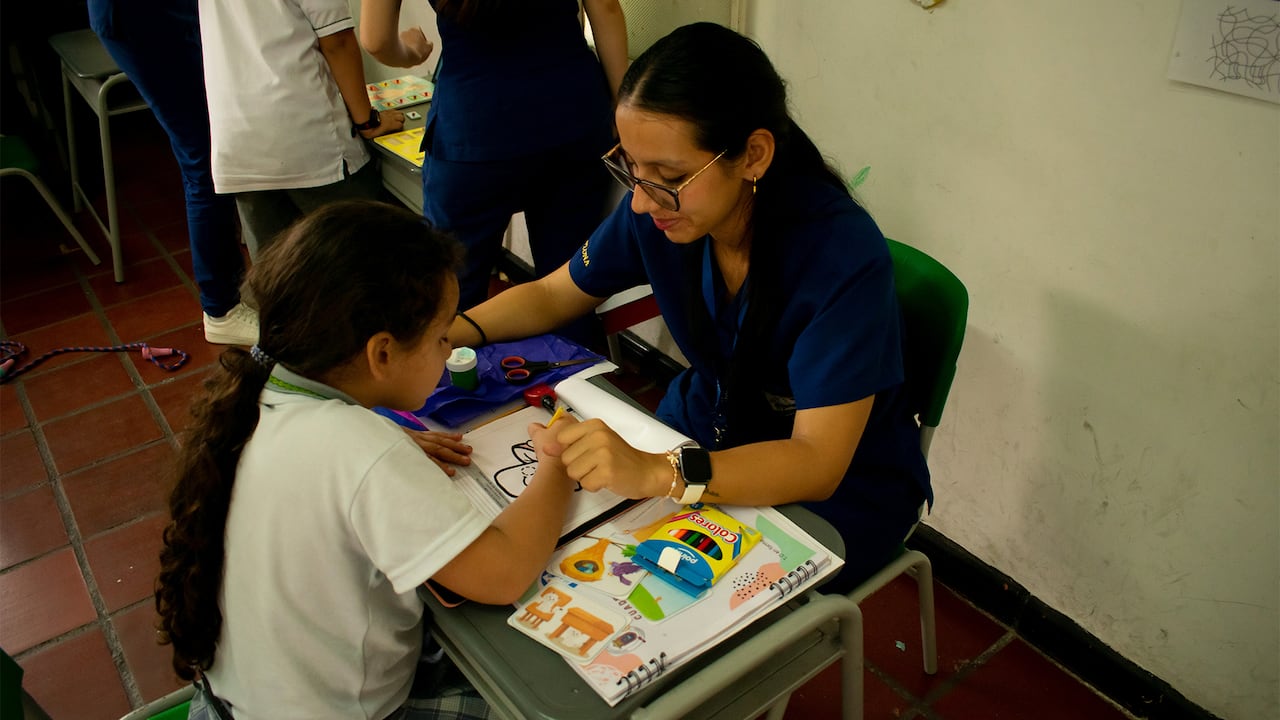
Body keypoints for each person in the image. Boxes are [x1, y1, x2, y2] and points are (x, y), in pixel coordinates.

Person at [445, 22, 932, 593]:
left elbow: (815, 460)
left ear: (753, 155)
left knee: (673, 608)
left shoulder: (839, 258)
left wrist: (658, 472)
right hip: (709, 429)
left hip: (836, 490)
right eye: (630, 166)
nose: (641, 200)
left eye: (670, 177)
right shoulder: (658, 211)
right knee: (587, 565)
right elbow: (556, 292)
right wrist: (450, 333)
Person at [155, 201, 577, 718]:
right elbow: (506, 573)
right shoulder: (359, 451)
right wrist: (556, 463)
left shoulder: (258, 391)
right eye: (443, 335)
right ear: (381, 354)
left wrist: (383, 447)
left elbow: (332, 467)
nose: (449, 350)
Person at [359, 0, 627, 313]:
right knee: (568, 287)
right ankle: (576, 361)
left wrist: (410, 52)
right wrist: (623, 106)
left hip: (474, 126)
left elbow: (376, 40)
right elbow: (605, 8)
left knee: (453, 295)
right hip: (571, 115)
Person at [87, 0, 257, 345]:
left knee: (208, 149)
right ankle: (221, 309)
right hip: (142, 17)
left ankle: (228, 286)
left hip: (154, 15)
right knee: (205, 157)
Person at [197, 0, 406, 257]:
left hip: (239, 135)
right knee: (365, 262)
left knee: (276, 277)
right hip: (309, 135)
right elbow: (337, 43)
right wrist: (368, 121)